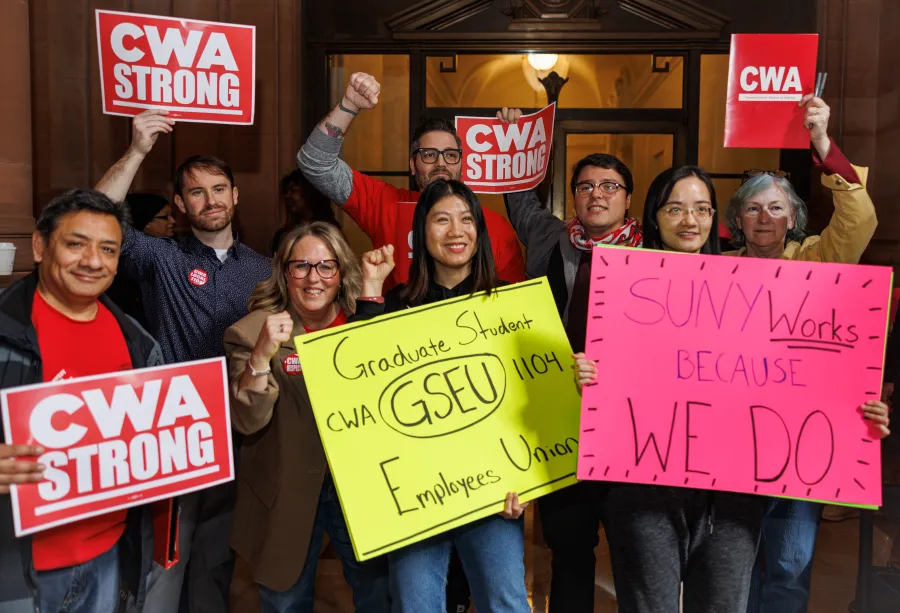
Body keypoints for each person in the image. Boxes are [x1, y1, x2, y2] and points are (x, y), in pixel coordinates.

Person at [95, 109, 272, 613]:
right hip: (171, 430)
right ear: (179, 202)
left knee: (216, 564)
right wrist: (136, 150)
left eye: (219, 189)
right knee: (164, 561)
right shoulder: (160, 257)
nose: (210, 200)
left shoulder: (264, 271)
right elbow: (95, 216)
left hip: (236, 431)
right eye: (196, 191)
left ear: (235, 196)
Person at [722, 96, 878, 613]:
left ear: (793, 219)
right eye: (752, 207)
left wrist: (821, 143)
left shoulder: (817, 259)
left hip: (798, 442)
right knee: (732, 568)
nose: (763, 217)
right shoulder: (711, 271)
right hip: (729, 441)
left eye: (776, 207)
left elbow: (858, 221)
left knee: (788, 569)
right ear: (736, 220)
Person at [353, 179, 530, 613]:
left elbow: (534, 399)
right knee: (416, 605)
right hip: (416, 491)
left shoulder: (511, 304)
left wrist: (530, 482)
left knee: (506, 602)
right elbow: (361, 388)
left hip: (494, 489)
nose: (456, 230)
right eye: (442, 219)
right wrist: (371, 290)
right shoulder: (394, 303)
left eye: (468, 219)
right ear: (421, 231)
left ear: (480, 232)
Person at [499, 105, 641, 613]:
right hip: (561, 426)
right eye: (585, 186)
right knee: (568, 546)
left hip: (631, 430)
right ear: (573, 195)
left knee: (637, 555)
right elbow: (519, 199)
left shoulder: (659, 257)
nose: (596, 194)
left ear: (628, 199)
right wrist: (515, 140)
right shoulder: (550, 237)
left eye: (608, 186)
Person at [0, 189, 164, 613]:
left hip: (109, 559)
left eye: (107, 249)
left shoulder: (140, 346)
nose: (93, 261)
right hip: (15, 571)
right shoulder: (4, 331)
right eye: (76, 244)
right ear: (39, 246)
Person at [223, 221, 390, 613]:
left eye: (326, 266)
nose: (313, 278)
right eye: (301, 267)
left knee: (378, 595)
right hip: (286, 491)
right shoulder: (249, 333)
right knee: (285, 601)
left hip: (359, 491)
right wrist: (262, 356)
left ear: (341, 272)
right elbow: (247, 421)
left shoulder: (361, 321)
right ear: (284, 273)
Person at [297, 71, 526, 291]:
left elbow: (515, 308)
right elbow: (316, 163)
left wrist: (517, 138)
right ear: (412, 165)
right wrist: (349, 105)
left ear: (462, 165)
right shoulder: (386, 204)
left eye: (451, 155)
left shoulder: (497, 227)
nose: (441, 163)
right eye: (429, 154)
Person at [106, 192, 175, 326]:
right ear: (147, 221)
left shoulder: (176, 250)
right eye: (165, 217)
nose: (172, 221)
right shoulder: (126, 261)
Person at [269, 169, 339, 256]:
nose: (287, 196)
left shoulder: (329, 230)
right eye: (286, 191)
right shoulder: (283, 234)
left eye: (293, 190)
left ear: (309, 193)